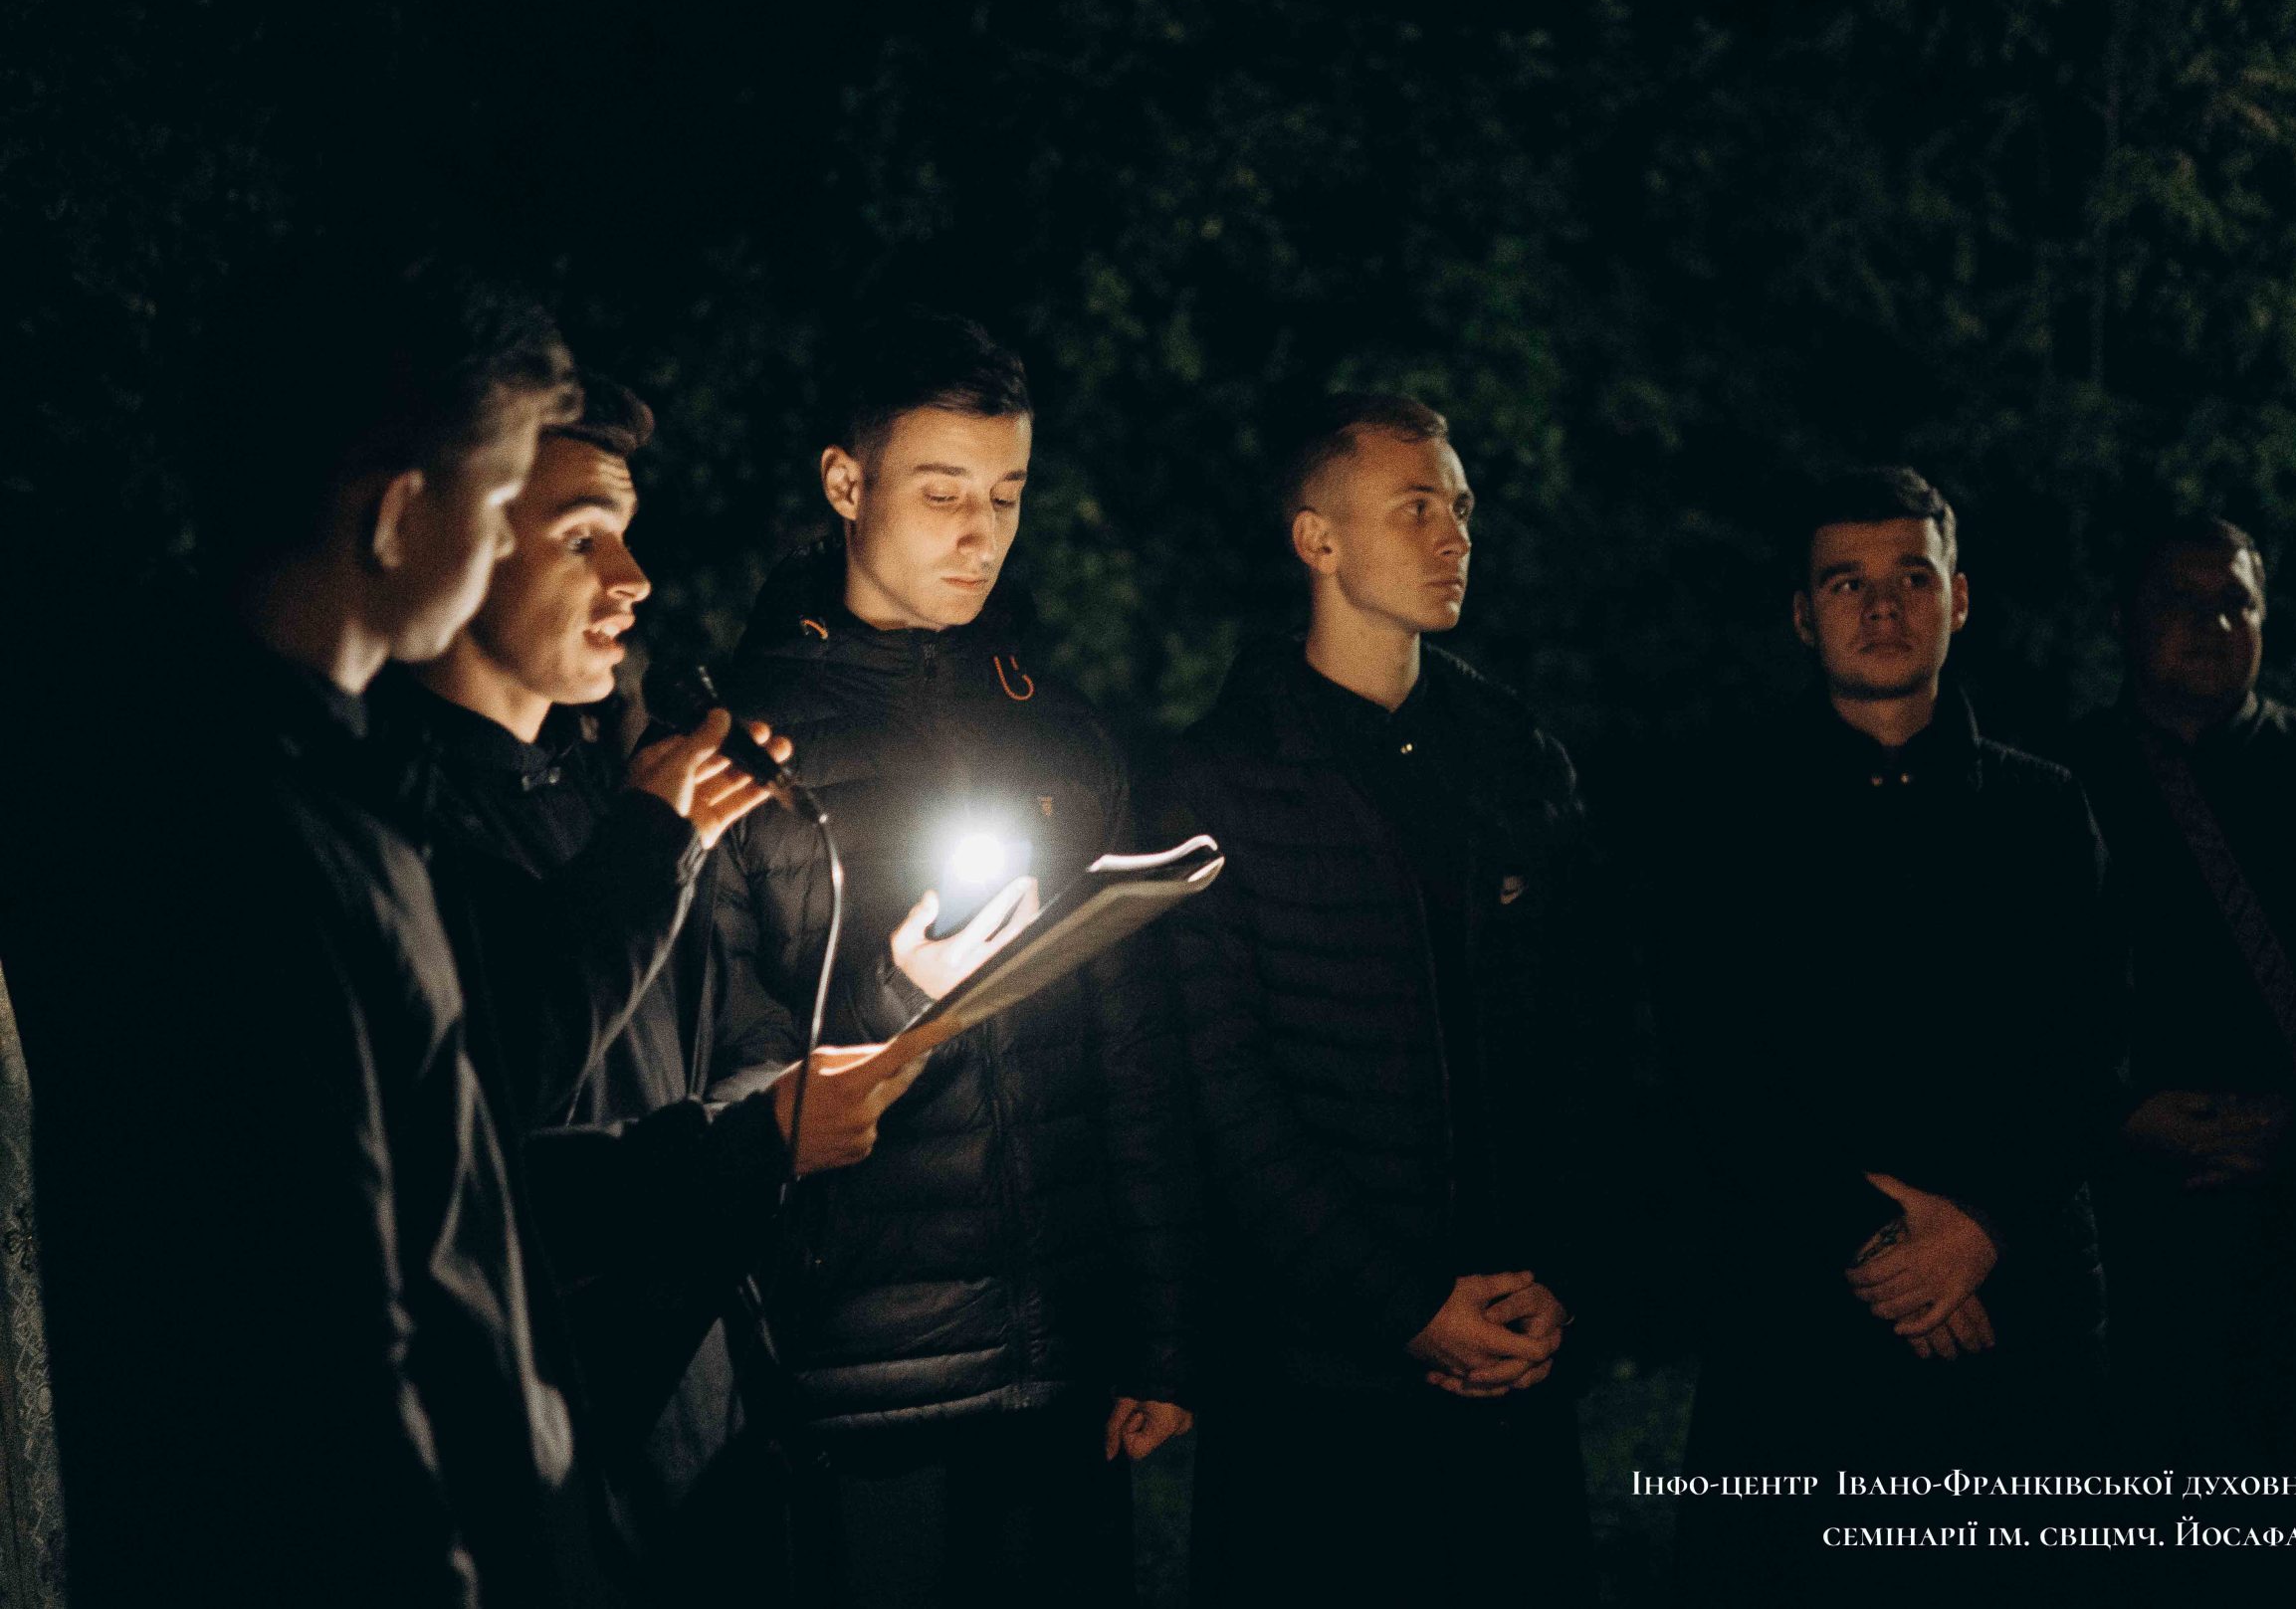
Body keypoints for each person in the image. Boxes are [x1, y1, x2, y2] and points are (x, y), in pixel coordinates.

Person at [0, 255, 592, 1603]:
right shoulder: (232, 832)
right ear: (397, 512)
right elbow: (319, 1322)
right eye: (501, 500)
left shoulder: (314, 785)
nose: (507, 545)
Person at [374, 374, 921, 1601]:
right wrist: (744, 1144)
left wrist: (885, 999)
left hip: (708, 1432)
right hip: (550, 1460)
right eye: (582, 540)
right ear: (460, 539)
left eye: (626, 536)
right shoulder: (407, 829)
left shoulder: (614, 792)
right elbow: (490, 1131)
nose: (633, 580)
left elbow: (719, 1053)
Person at [707, 309, 1196, 1606]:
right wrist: (898, 1001)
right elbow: (714, 1084)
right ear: (845, 483)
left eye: (1008, 494)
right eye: (941, 494)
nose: (981, 533)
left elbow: (1132, 1052)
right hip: (859, 1380)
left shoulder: (1062, 734)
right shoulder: (737, 751)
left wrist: (1158, 1330)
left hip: (1065, 1365)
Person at [1152, 393, 1601, 1605]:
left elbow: (1586, 1041)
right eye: (1415, 509)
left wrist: (1561, 1279)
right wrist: (1401, 1306)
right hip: (1312, 1388)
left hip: (1514, 1350)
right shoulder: (1217, 780)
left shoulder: (1515, 757)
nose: (1455, 536)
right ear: (1318, 540)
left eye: (1460, 507)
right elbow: (1222, 1090)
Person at [1674, 467, 2116, 1588]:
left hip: (2014, 1310)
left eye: (1911, 578)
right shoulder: (1721, 810)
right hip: (1798, 1317)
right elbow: (1708, 1059)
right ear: (1801, 612)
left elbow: (2089, 1050)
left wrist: (1980, 1229)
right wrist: (1874, 1239)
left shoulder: (2044, 810)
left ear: (1958, 598)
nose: (1881, 607)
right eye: (1846, 582)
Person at [2060, 515, 2296, 1468]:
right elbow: (2003, 1006)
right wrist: (2118, 1116)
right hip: (2133, 1237)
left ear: (2266, 619)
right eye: (2180, 600)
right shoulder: (2059, 785)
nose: (2212, 624)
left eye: (2235, 601)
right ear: (2122, 618)